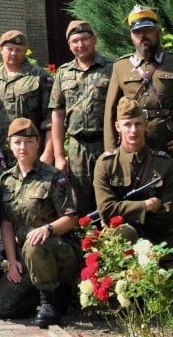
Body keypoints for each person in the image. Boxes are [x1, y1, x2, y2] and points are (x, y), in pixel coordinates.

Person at [102, 5, 173, 252]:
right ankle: (148, 264)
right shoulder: (121, 67)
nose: (143, 37)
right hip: (138, 152)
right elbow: (110, 112)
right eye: (137, 32)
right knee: (139, 206)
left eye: (148, 31)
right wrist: (113, 153)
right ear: (131, 36)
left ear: (158, 32)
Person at [0, 118, 79, 328]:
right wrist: (12, 261)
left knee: (33, 245)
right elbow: (6, 224)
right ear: (9, 144)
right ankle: (53, 296)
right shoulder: (6, 181)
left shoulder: (53, 176)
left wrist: (47, 228)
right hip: (27, 256)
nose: (23, 147)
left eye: (29, 141)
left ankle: (50, 301)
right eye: (18, 142)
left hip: (57, 251)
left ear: (38, 143)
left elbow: (71, 218)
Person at [94, 98, 173, 268]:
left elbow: (169, 215)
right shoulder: (106, 164)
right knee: (124, 233)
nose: (133, 130)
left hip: (161, 240)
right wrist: (145, 207)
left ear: (146, 125)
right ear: (117, 127)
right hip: (121, 240)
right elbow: (106, 210)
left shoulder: (164, 164)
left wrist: (121, 215)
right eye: (127, 124)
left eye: (138, 124)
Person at [50, 20, 113, 215]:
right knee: (80, 204)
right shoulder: (63, 73)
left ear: (94, 40)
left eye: (85, 39)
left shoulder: (111, 68)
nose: (80, 45)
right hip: (78, 149)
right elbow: (58, 114)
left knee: (110, 198)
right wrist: (59, 155)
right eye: (75, 41)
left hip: (106, 144)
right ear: (69, 45)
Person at [0, 30, 54, 165]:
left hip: (32, 153)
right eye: (10, 49)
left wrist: (48, 152)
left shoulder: (40, 76)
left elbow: (50, 119)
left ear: (25, 50)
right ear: (1, 49)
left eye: (19, 50)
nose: (14, 53)